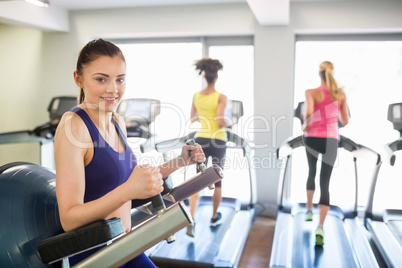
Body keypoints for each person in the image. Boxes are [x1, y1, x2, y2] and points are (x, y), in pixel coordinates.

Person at [54, 38, 205, 267]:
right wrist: (128, 190)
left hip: (125, 245)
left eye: (120, 79)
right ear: (79, 79)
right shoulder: (73, 127)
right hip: (97, 255)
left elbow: (132, 179)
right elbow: (69, 219)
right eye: (101, 79)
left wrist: (179, 161)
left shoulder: (117, 121)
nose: (113, 89)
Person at [303, 61, 349, 246]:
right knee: (325, 182)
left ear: (319, 74)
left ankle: (308, 211)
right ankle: (320, 227)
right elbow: (344, 121)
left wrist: (304, 125)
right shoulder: (341, 94)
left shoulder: (310, 92)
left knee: (311, 172)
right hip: (331, 139)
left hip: (312, 138)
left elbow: (308, 116)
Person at [186, 57, 228, 237]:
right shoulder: (221, 97)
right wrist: (228, 122)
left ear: (204, 77)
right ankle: (213, 216)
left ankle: (192, 218)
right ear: (216, 77)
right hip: (218, 140)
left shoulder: (196, 96)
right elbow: (220, 120)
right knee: (217, 180)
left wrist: (204, 117)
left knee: (198, 180)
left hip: (201, 138)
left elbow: (193, 118)